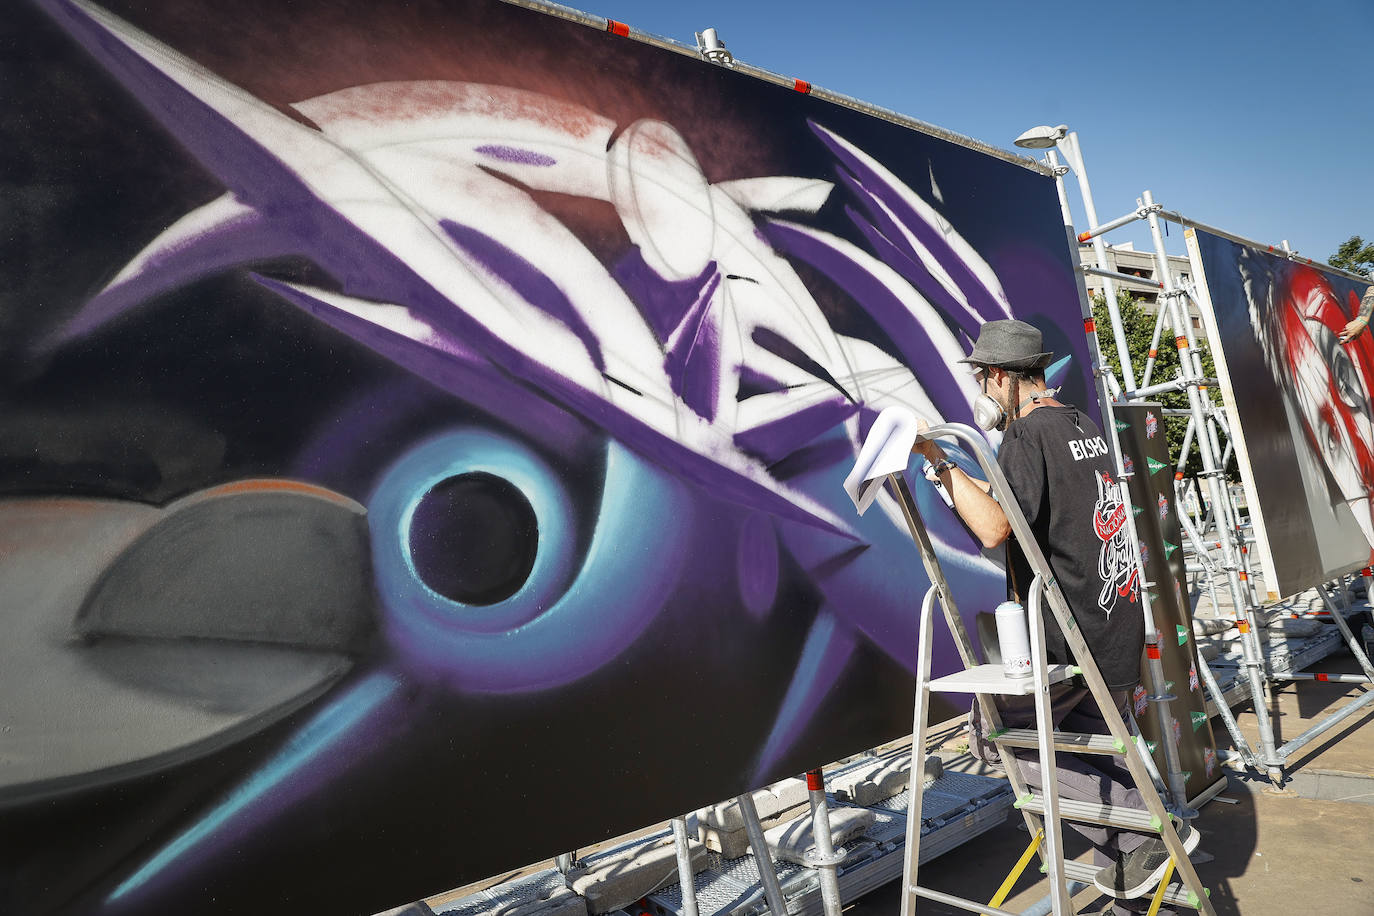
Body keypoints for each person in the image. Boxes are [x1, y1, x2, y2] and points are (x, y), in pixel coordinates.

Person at [911, 319, 1198, 913]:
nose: (987, 397)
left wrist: (940, 462)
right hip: (1111, 623)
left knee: (999, 741)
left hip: (1071, 640)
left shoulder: (1026, 437)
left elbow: (994, 527)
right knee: (1094, 754)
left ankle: (1148, 833)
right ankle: (1137, 860)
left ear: (999, 378)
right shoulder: (1079, 424)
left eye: (987, 384)